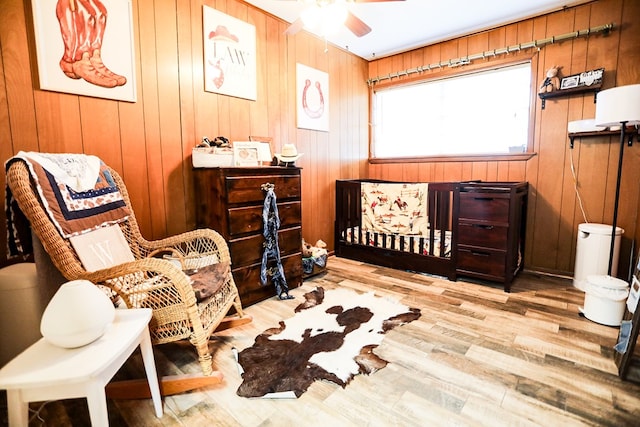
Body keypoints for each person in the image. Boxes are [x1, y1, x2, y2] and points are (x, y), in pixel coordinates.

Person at [56, 0, 126, 88]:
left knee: (100, 12)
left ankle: (93, 57)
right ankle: (75, 61)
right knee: (84, 12)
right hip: (73, 58)